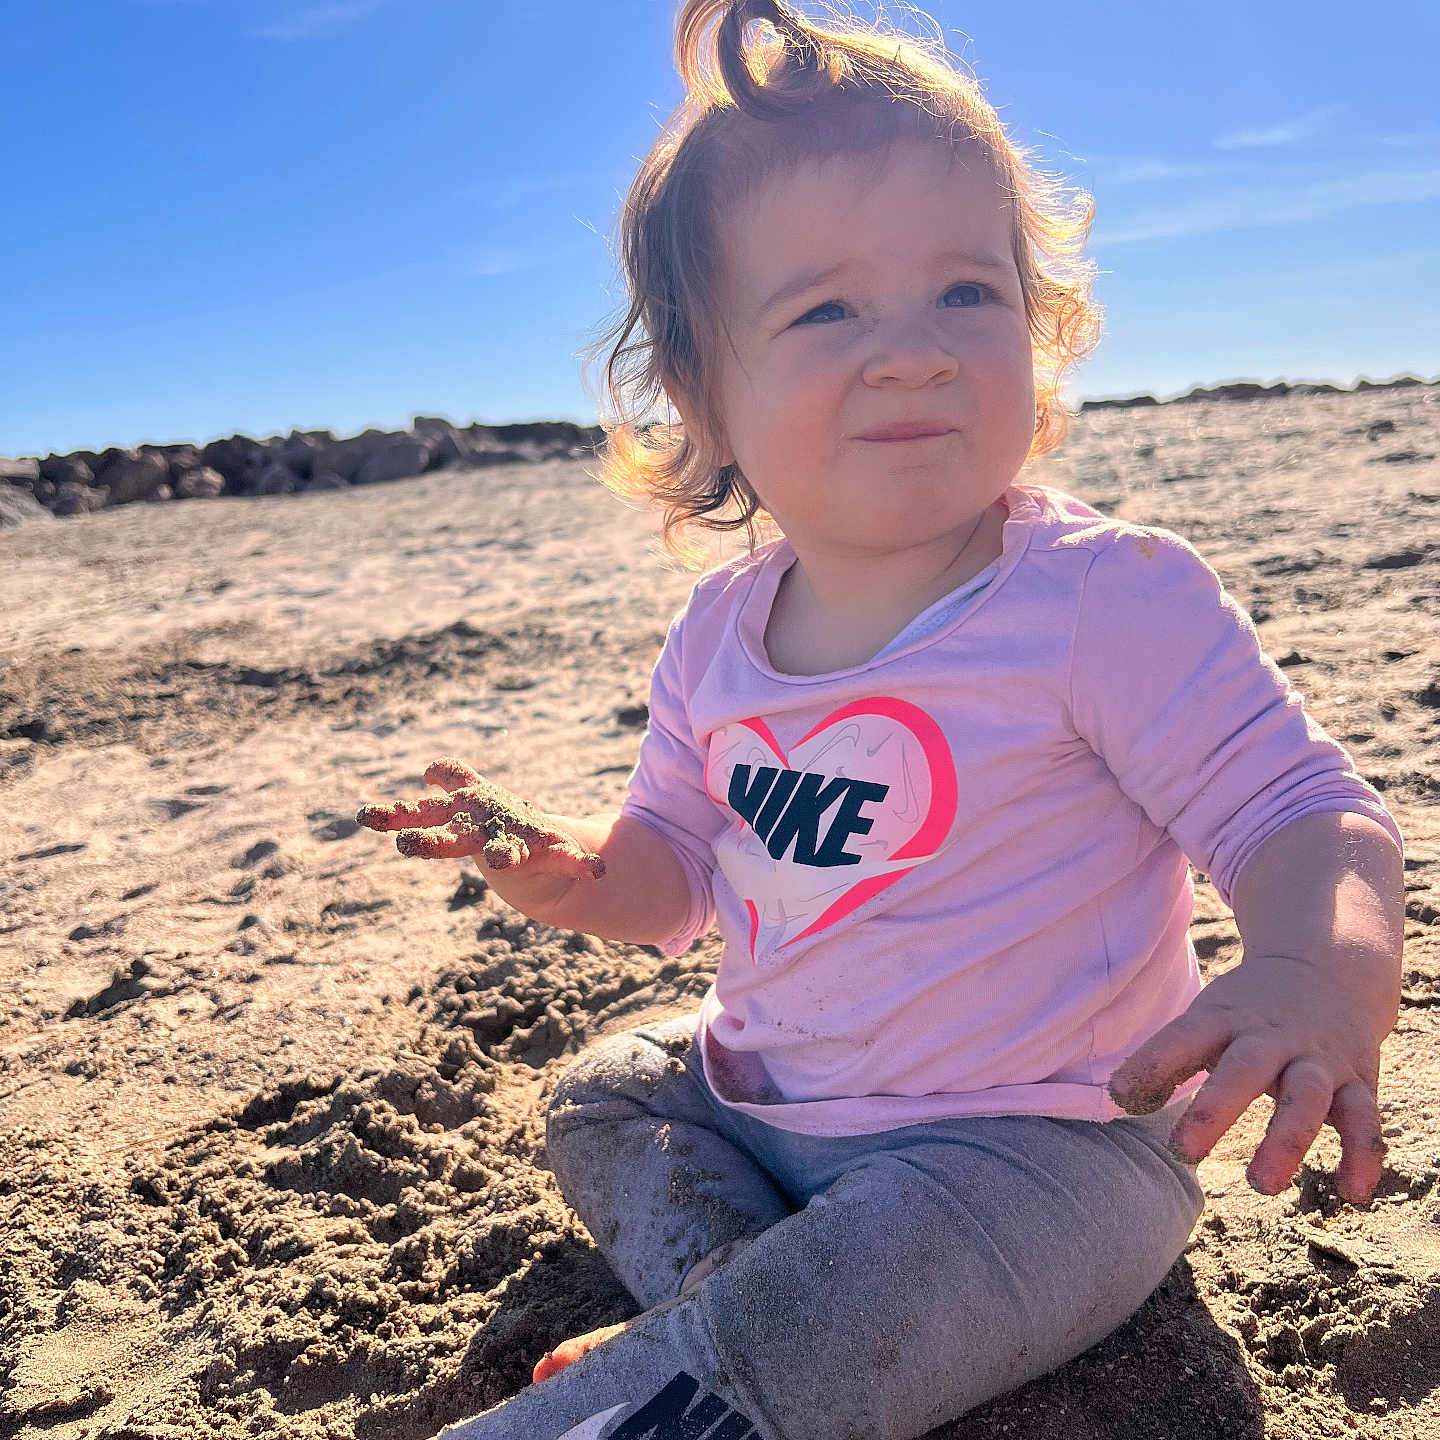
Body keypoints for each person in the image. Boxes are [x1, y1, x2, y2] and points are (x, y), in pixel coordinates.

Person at [356, 2, 1407, 1435]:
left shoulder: (1106, 600)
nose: (911, 351)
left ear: (1040, 335)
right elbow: (667, 869)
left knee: (878, 1282)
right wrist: (558, 862)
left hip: (1039, 1150)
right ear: (701, 397)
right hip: (773, 1107)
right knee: (607, 1094)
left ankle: (667, 1381)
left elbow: (1304, 812)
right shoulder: (719, 635)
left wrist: (1310, 971)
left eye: (968, 294)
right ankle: (734, 1306)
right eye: (826, 309)